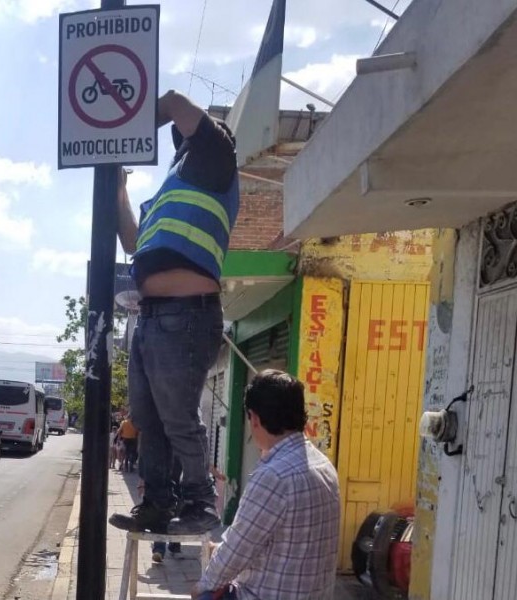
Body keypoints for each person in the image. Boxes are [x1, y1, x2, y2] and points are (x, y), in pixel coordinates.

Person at [110, 89, 239, 535]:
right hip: (152, 319)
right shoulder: (171, 189)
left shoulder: (216, 156)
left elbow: (172, 101)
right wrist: (120, 190)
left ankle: (201, 504)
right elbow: (131, 241)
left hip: (187, 314)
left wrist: (128, 126)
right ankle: (158, 504)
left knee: (178, 416)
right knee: (147, 418)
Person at [193, 370, 340, 600]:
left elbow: (235, 553)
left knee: (206, 593)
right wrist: (219, 550)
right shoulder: (324, 466)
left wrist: (201, 586)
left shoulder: (273, 476)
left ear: (254, 418)